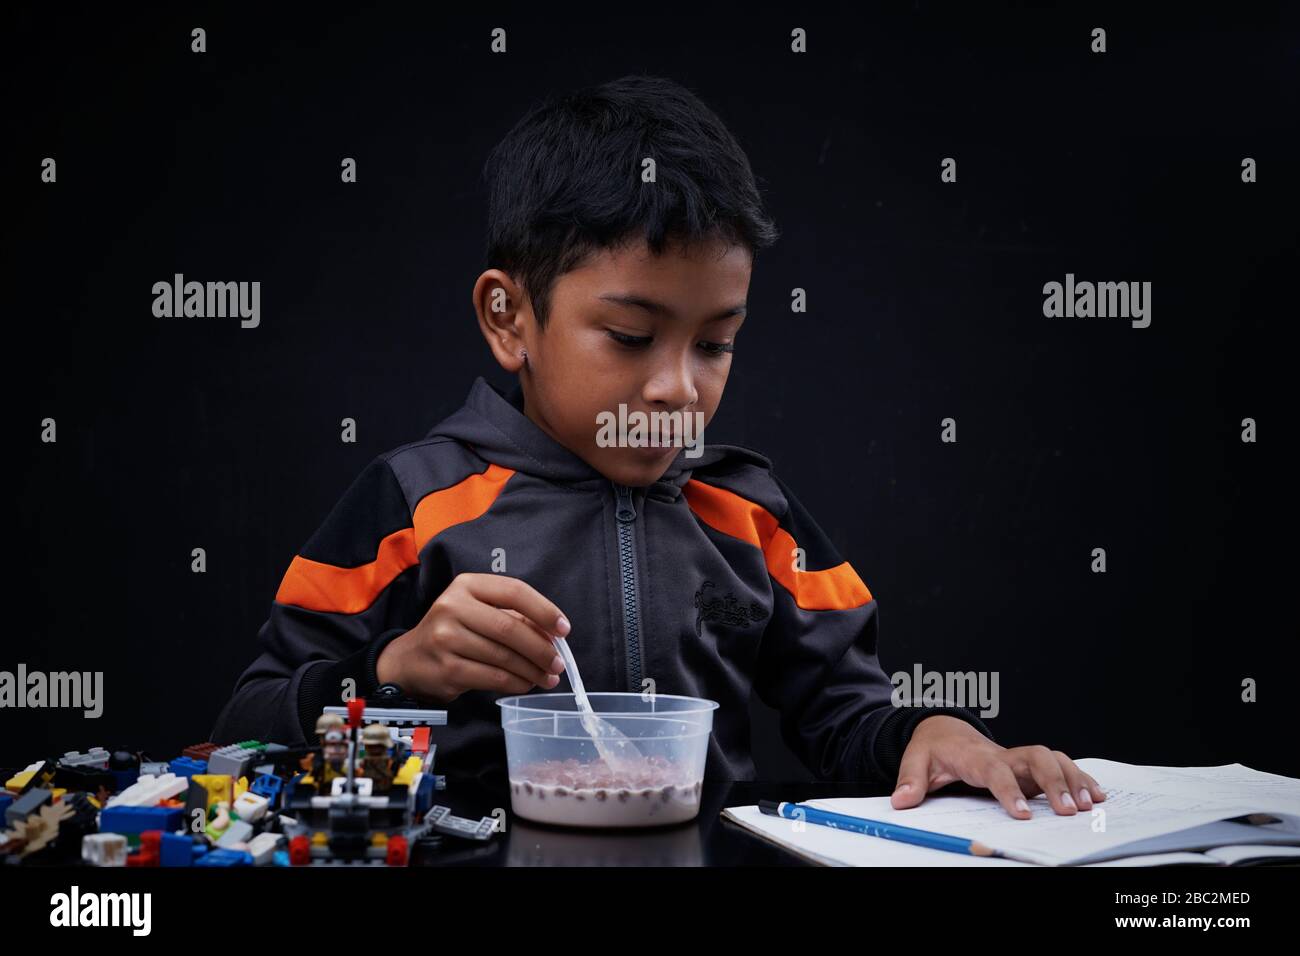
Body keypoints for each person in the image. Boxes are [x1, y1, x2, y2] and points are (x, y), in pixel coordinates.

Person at [213, 75, 1105, 819]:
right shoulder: (413, 502)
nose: (680, 387)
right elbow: (244, 729)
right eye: (632, 337)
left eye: (715, 343)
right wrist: (395, 676)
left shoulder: (752, 512)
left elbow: (845, 717)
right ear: (509, 317)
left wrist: (923, 736)